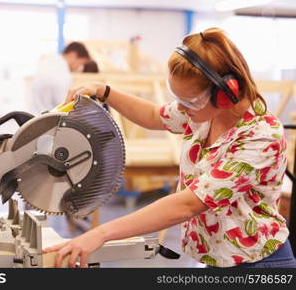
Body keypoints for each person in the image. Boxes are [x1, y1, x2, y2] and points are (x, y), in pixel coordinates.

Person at [44, 28, 296, 268]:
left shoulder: (260, 136)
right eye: (177, 99)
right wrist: (104, 90)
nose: (181, 108)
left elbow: (188, 205)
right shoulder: (205, 113)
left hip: (260, 264)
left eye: (189, 101)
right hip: (218, 259)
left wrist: (101, 233)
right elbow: (155, 115)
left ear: (225, 93)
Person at [27, 42, 90, 115]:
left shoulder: (48, 62)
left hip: (34, 115)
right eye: (80, 63)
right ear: (73, 55)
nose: (79, 68)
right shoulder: (62, 74)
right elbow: (65, 105)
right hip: (46, 120)